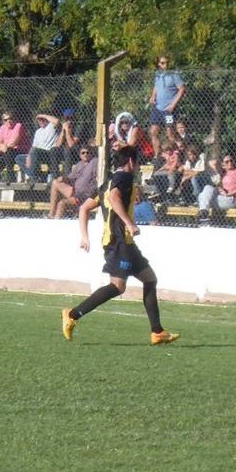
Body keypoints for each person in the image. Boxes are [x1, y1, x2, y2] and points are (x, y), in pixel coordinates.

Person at [61, 145, 179, 345]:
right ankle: (72, 315)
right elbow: (115, 198)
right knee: (118, 286)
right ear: (131, 162)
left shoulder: (106, 183)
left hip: (125, 243)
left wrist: (84, 236)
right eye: (138, 162)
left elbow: (84, 208)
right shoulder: (123, 178)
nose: (139, 166)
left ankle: (157, 331)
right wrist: (130, 223)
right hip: (119, 242)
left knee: (150, 279)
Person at [148, 55, 186, 158]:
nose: (166, 65)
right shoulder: (158, 75)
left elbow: (182, 89)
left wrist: (173, 104)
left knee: (170, 134)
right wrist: (153, 96)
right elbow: (156, 86)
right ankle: (157, 157)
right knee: (153, 131)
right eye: (163, 63)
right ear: (159, 64)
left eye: (167, 63)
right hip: (158, 109)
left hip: (168, 111)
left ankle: (180, 151)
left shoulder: (174, 75)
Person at [47, 144, 97, 219]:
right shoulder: (79, 164)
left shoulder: (95, 162)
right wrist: (63, 179)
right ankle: (51, 215)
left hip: (84, 196)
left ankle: (56, 224)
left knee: (62, 203)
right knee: (55, 182)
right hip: (74, 191)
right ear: (80, 155)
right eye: (83, 153)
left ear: (91, 154)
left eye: (87, 152)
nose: (85, 154)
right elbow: (70, 178)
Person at [196, 153, 236, 224]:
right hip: (221, 197)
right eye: (227, 162)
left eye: (231, 160)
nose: (230, 163)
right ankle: (204, 213)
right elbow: (212, 163)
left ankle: (204, 214)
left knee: (201, 197)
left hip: (232, 199)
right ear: (223, 164)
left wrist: (228, 194)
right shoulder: (222, 173)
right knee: (207, 187)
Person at [15, 113, 59, 183]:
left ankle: (34, 178)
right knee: (19, 158)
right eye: (39, 119)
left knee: (35, 151)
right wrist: (29, 156)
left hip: (48, 154)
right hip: (36, 154)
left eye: (42, 119)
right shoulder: (38, 131)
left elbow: (56, 121)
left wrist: (43, 115)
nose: (41, 121)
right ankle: (37, 176)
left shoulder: (51, 127)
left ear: (46, 119)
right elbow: (33, 147)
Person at [0, 111, 30, 183]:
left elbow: (13, 143)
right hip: (7, 151)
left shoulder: (18, 126)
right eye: (5, 120)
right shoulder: (2, 128)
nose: (8, 121)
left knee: (7, 151)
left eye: (10, 118)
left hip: (20, 151)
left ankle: (11, 178)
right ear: (3, 121)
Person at [50, 108, 88, 178]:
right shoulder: (62, 127)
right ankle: (54, 176)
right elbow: (58, 145)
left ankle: (67, 176)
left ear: (74, 118)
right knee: (53, 149)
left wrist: (67, 130)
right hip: (65, 151)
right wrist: (62, 131)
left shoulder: (79, 126)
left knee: (67, 150)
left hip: (77, 151)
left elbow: (71, 145)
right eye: (66, 118)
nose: (68, 120)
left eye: (70, 118)